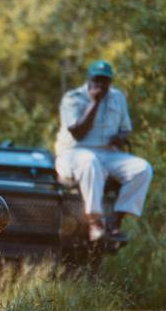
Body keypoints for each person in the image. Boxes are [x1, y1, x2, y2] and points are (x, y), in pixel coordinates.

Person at [54, 60, 153, 242]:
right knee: (89, 161)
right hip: (74, 152)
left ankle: (116, 222)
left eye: (104, 80)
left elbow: (126, 128)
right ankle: (95, 222)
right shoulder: (73, 98)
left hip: (108, 153)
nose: (100, 84)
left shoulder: (118, 97)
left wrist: (120, 138)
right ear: (89, 80)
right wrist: (94, 103)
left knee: (143, 168)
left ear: (110, 82)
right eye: (96, 79)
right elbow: (78, 133)